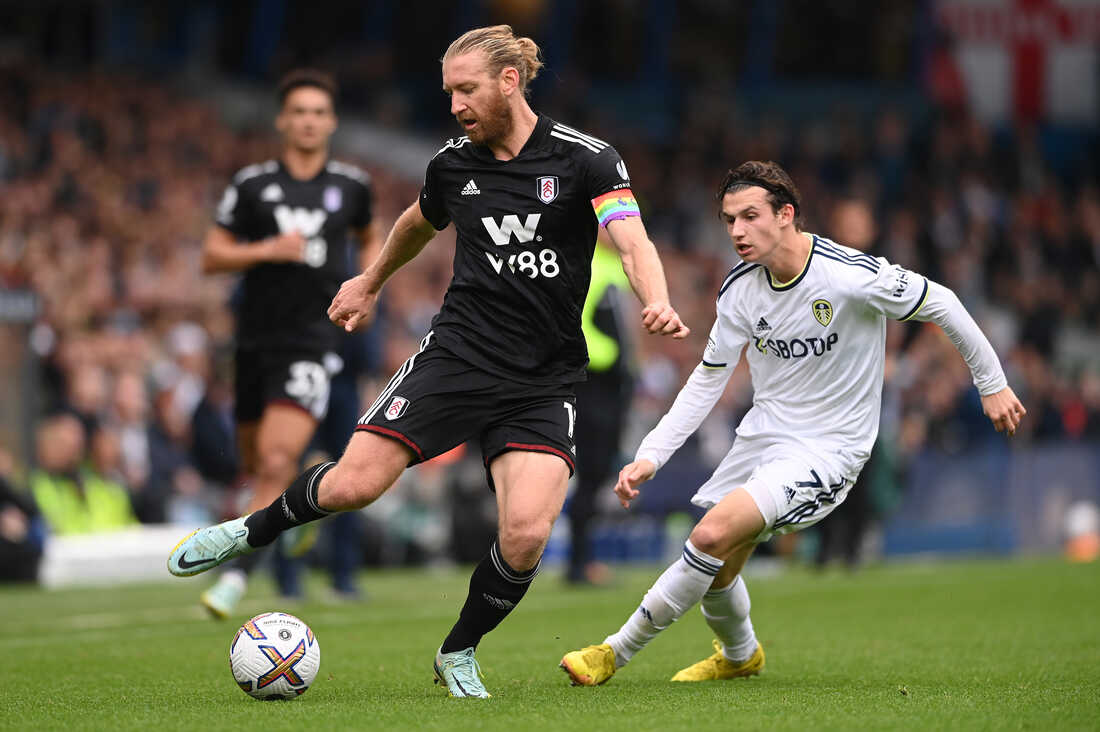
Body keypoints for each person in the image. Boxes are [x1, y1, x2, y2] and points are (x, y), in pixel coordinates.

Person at [169, 25, 690, 699]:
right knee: (354, 486)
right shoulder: (453, 165)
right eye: (448, 92)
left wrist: (657, 300)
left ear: (509, 81)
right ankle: (250, 531)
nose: (454, 104)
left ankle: (458, 650)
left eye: (466, 89)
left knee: (527, 534)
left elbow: (631, 237)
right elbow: (417, 221)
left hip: (543, 377)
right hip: (458, 356)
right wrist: (370, 281)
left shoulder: (586, 159)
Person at [559, 161, 1025, 686]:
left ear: (786, 214)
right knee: (718, 565)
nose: (736, 231)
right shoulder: (738, 290)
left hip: (829, 450)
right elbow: (708, 380)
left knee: (709, 535)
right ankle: (741, 655)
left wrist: (993, 384)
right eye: (729, 219)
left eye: (750, 216)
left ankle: (612, 653)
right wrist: (651, 454)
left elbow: (942, 302)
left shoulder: (851, 275)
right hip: (763, 441)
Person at [196, 68, 380, 618]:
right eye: (298, 111)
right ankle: (305, 506)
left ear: (332, 122)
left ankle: (234, 578)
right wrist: (267, 250)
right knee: (257, 464)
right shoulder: (252, 184)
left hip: (313, 339)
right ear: (282, 120)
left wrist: (368, 286)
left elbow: (370, 236)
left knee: (276, 458)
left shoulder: (352, 185)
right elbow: (211, 255)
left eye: (318, 112)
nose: (308, 121)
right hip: (253, 341)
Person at [566, 231, 635, 585]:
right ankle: (578, 563)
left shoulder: (615, 268)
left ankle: (584, 560)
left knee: (595, 476)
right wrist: (613, 357)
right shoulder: (588, 263)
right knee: (589, 474)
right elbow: (580, 327)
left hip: (609, 386)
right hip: (593, 384)